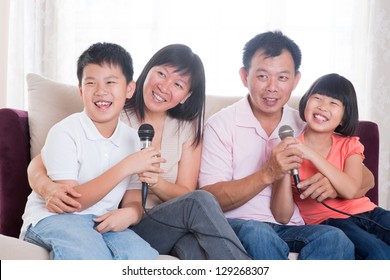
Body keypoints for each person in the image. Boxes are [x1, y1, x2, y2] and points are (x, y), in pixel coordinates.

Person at [26, 44, 250, 260]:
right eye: (161, 74)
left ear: (187, 95)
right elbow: (43, 161)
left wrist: (153, 184)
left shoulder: (182, 128)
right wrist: (47, 188)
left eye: (178, 85)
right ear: (146, 72)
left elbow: (186, 194)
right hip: (127, 220)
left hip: (157, 220)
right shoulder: (111, 110)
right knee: (200, 203)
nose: (164, 86)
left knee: (194, 245)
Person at [199, 31, 374, 260]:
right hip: (241, 224)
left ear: (296, 80)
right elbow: (210, 199)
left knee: (335, 238)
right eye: (262, 76)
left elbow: (366, 177)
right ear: (244, 76)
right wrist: (268, 173)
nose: (272, 87)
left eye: (282, 78)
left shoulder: (307, 122)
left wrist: (333, 185)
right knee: (258, 233)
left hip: (294, 225)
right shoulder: (220, 125)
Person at [20, 42, 160, 259]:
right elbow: (71, 203)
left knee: (143, 256)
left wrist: (131, 214)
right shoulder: (65, 132)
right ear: (80, 90)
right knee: (89, 256)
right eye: (91, 83)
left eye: (111, 82)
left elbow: (133, 199)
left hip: (101, 221)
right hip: (56, 218)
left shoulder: (134, 139)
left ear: (129, 89)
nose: (101, 91)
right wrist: (127, 166)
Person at [272, 73, 390, 259]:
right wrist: (284, 169)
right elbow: (282, 216)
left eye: (333, 103)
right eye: (317, 98)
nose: (322, 106)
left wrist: (310, 153)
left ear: (344, 117)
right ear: (305, 104)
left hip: (371, 213)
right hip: (331, 223)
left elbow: (350, 189)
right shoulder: (290, 149)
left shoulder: (350, 144)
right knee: (380, 253)